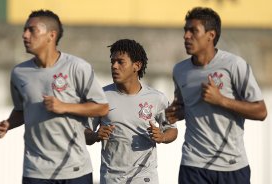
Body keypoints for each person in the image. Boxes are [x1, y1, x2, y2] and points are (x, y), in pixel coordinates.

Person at [0, 9, 109, 184]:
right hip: (35, 170)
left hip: (75, 168)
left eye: (32, 30)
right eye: (24, 30)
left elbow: (102, 107)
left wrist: (64, 106)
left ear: (51, 35)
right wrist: (8, 124)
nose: (25, 35)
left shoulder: (77, 67)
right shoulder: (19, 73)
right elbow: (21, 110)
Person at [165, 7, 267, 184]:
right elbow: (182, 106)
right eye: (185, 30)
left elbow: (260, 111)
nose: (186, 36)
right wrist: (174, 113)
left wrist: (221, 100)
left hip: (231, 165)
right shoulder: (180, 70)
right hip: (193, 163)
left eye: (193, 31)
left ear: (210, 35)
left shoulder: (235, 65)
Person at [85, 39, 178, 184]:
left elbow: (172, 130)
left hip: (144, 177)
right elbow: (84, 133)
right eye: (112, 62)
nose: (114, 66)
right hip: (111, 179)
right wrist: (96, 135)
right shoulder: (100, 97)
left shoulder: (157, 98)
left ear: (137, 66)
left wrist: (162, 137)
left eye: (120, 62)